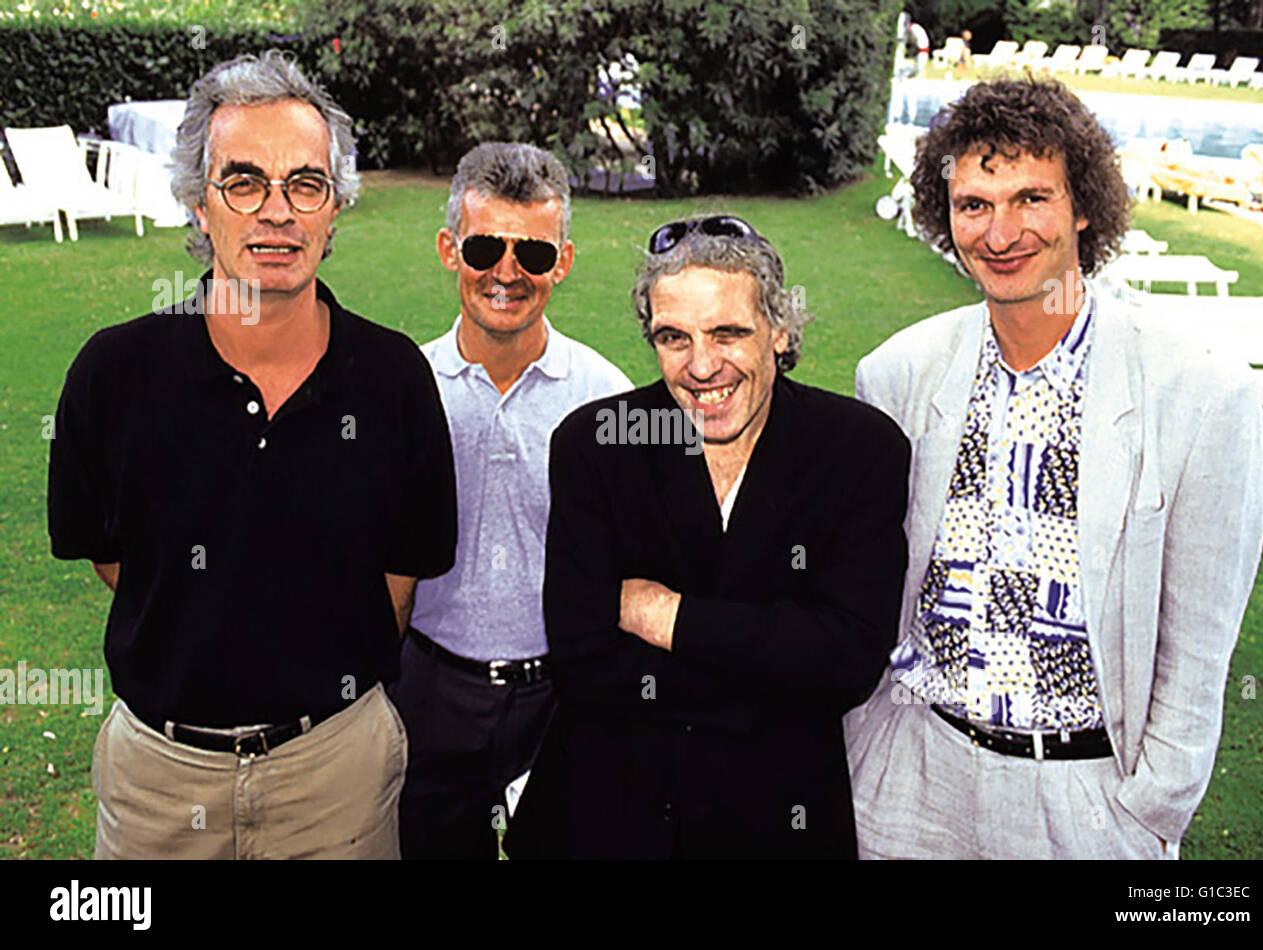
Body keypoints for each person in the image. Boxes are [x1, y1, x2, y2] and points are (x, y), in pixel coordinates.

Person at [47, 50, 457, 859]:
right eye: (243, 182)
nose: (277, 211)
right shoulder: (112, 373)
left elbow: (399, 579)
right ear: (200, 204)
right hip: (158, 782)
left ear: (334, 208)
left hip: (335, 774)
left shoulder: (394, 379)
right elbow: (109, 557)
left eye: (305, 184)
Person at [844, 78, 1263, 859]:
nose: (1000, 232)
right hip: (909, 787)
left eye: (1031, 198)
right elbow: (870, 587)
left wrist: (1149, 809)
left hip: (1088, 806)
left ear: (1083, 208)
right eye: (974, 204)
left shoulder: (1203, 396)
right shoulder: (898, 373)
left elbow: (1201, 649)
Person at [505, 215, 910, 859]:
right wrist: (774, 669)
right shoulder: (597, 444)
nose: (700, 366)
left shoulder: (858, 451)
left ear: (779, 331)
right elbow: (584, 662)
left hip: (776, 826)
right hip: (605, 821)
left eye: (728, 333)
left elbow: (847, 661)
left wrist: (668, 616)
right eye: (674, 337)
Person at [392, 143, 631, 860]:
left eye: (531, 253)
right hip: (428, 690)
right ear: (448, 248)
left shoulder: (607, 398)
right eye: (485, 245)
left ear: (562, 260)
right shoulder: (404, 390)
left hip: (563, 696)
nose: (506, 271)